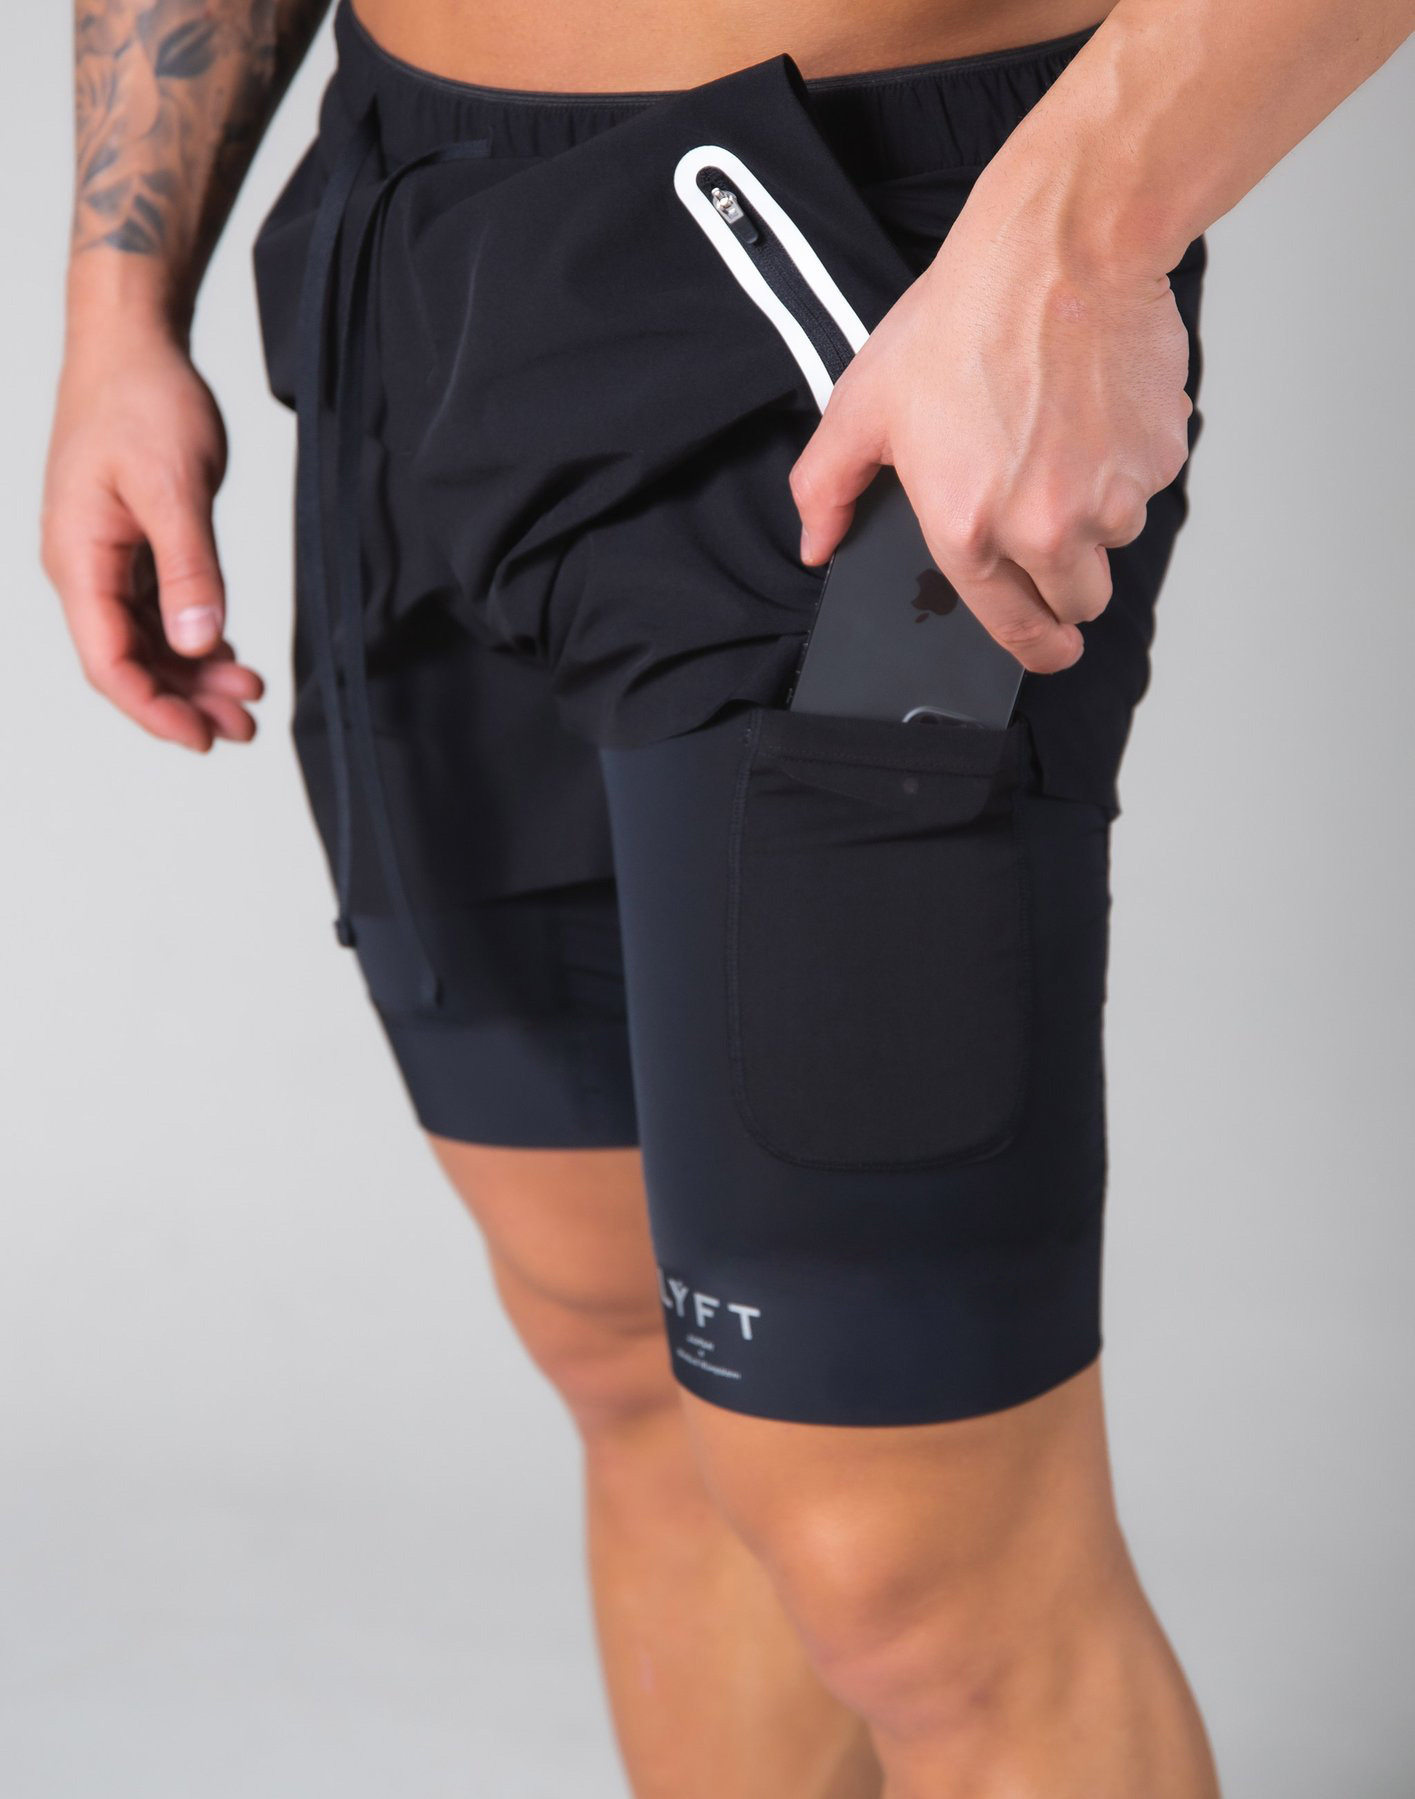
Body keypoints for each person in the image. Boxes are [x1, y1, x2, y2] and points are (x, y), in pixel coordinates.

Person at [40, 0, 1412, 1791]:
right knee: (633, 1364)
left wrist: (1084, 228)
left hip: (860, 285)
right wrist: (117, 303)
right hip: (409, 255)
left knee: (924, 1579)